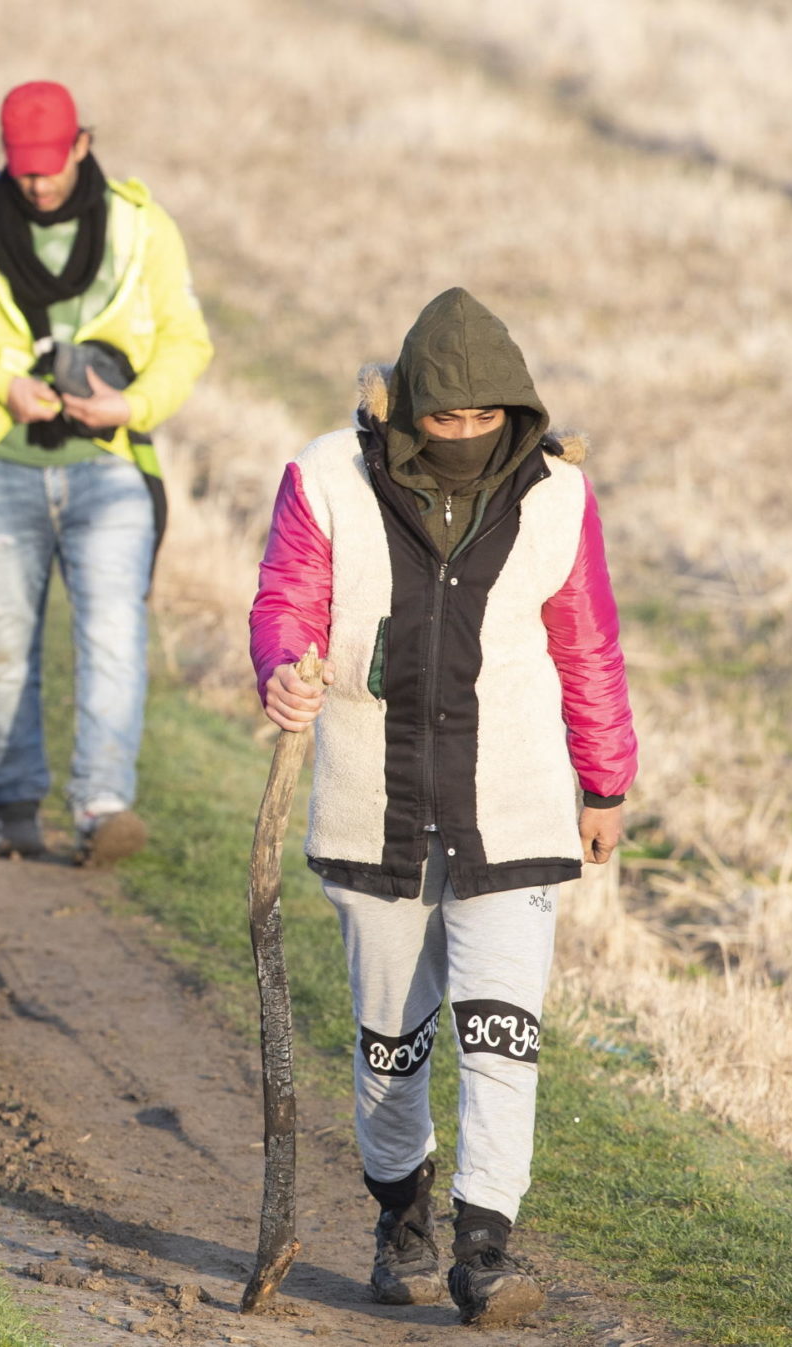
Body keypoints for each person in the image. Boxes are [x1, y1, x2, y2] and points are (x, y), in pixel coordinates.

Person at [252, 287, 635, 1328]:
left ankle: (484, 1246)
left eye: (483, 419)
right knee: (391, 1041)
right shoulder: (326, 474)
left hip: (511, 806)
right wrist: (284, 665)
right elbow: (288, 596)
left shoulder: (558, 495)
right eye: (443, 417)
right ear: (407, 405)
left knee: (503, 1033)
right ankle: (400, 1218)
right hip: (371, 803)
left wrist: (603, 782)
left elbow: (586, 641)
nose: (463, 436)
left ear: (513, 411)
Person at [0, 81, 212, 865]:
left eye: (49, 167)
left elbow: (186, 341)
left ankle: (103, 808)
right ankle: (14, 805)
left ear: (82, 144)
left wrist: (132, 407)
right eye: (21, 169)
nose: (35, 184)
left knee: (113, 639)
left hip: (109, 468)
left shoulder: (140, 225)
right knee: (1, 647)